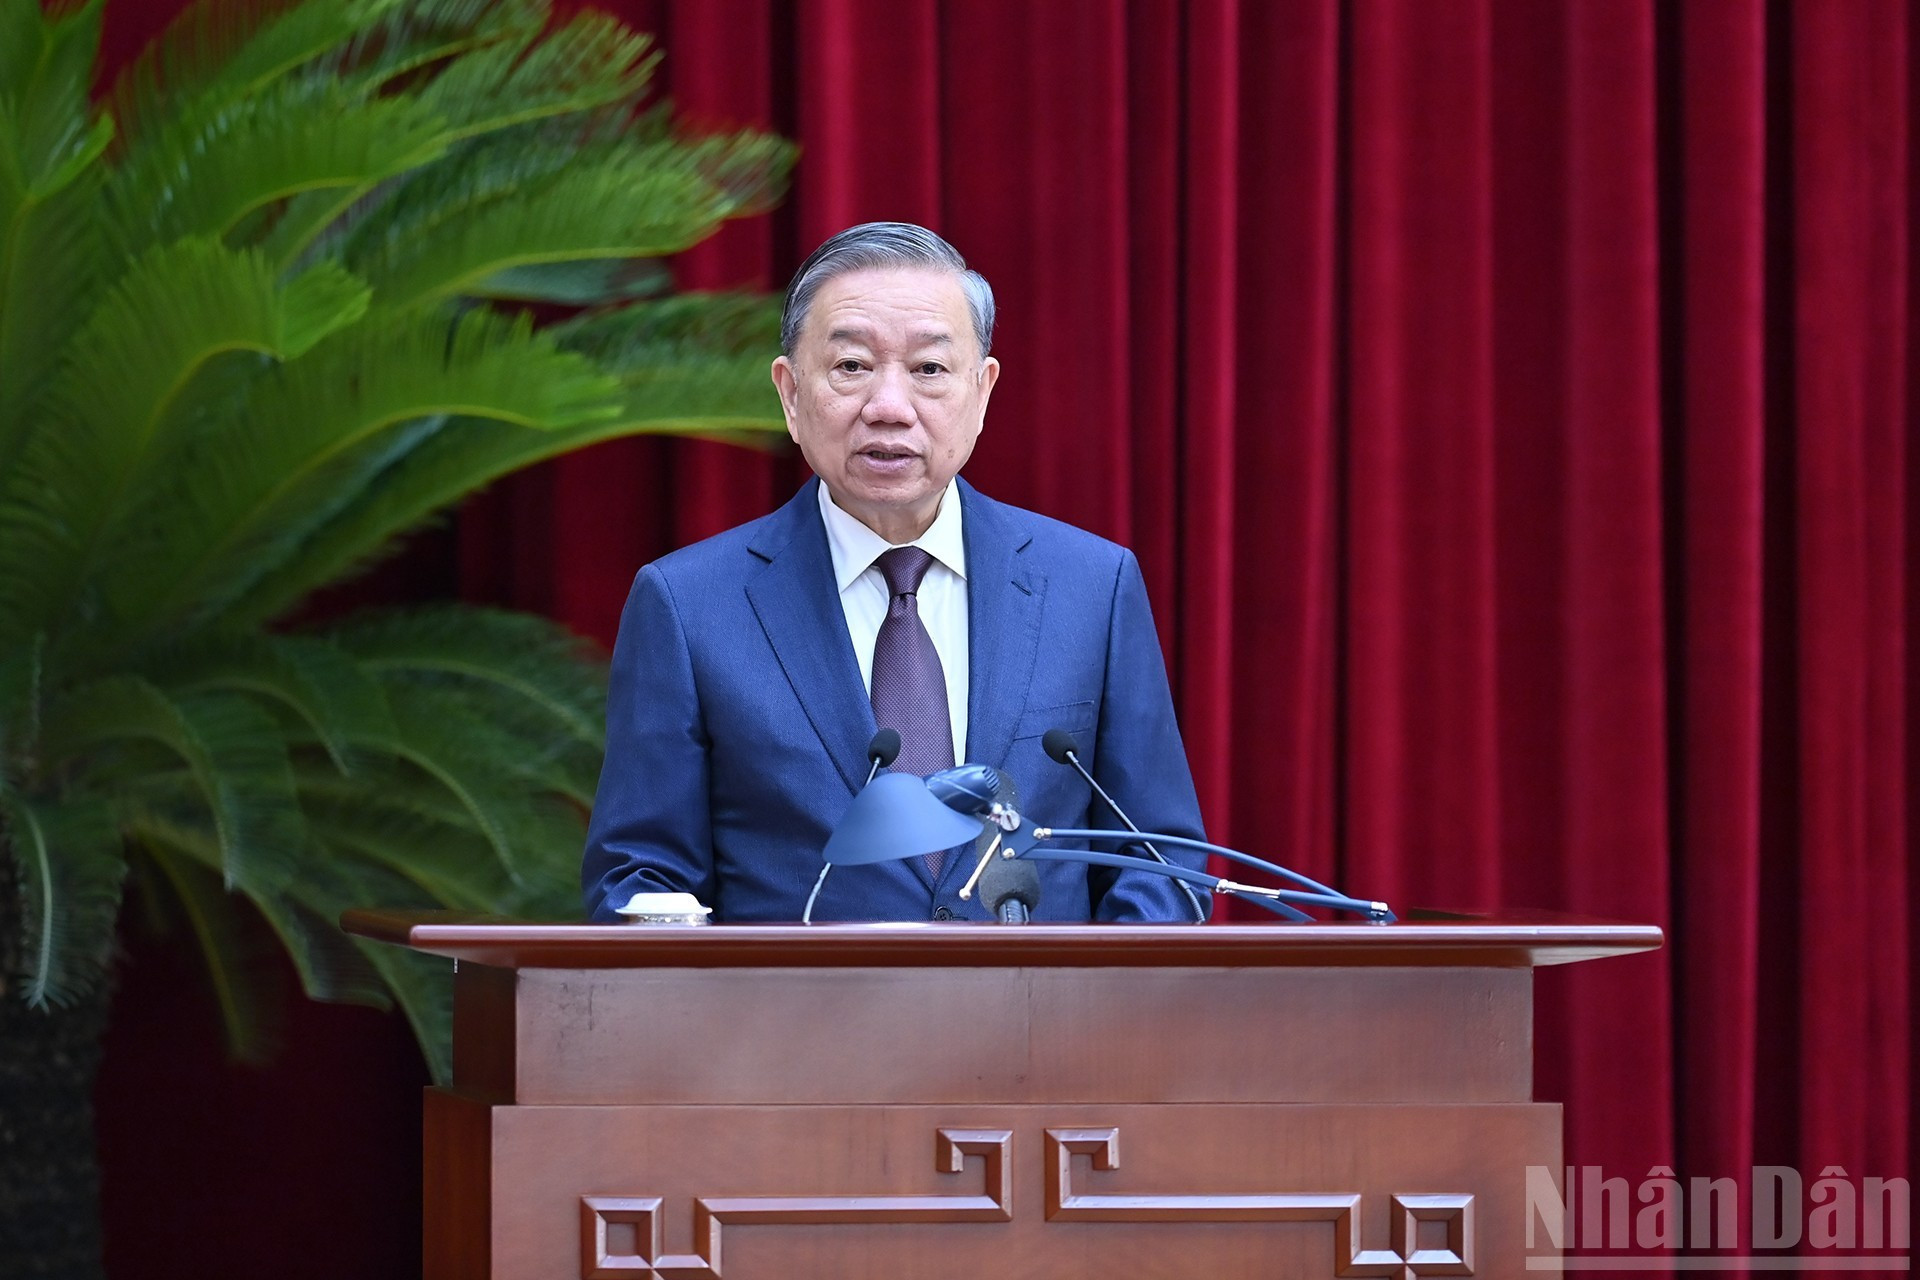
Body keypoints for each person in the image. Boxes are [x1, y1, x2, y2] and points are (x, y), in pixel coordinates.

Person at [581, 222, 1207, 923]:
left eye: (929, 370)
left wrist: (1093, 1019)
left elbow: (1158, 861)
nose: (887, 407)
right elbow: (641, 875)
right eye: (850, 366)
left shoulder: (1092, 587)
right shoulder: (689, 606)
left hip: (1042, 1029)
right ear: (790, 394)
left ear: (982, 391)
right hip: (792, 1030)